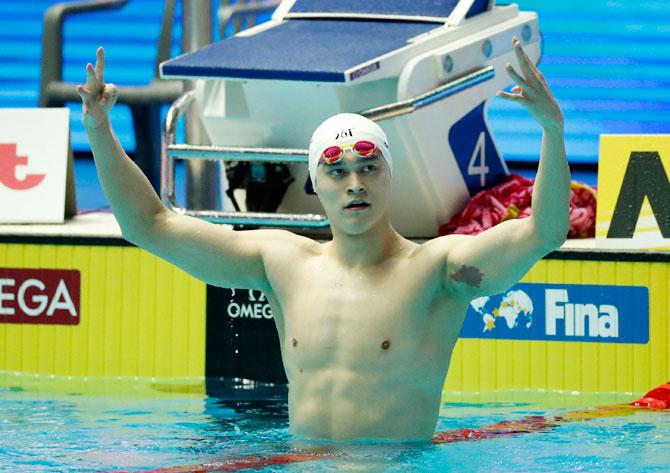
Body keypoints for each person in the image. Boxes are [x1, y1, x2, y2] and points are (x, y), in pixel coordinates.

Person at [78, 36, 570, 441]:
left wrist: (552, 131)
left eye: (368, 167)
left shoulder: (437, 272)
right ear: (316, 185)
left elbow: (543, 231)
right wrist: (100, 130)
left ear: (388, 176)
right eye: (336, 172)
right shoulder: (281, 262)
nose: (355, 182)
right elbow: (147, 224)